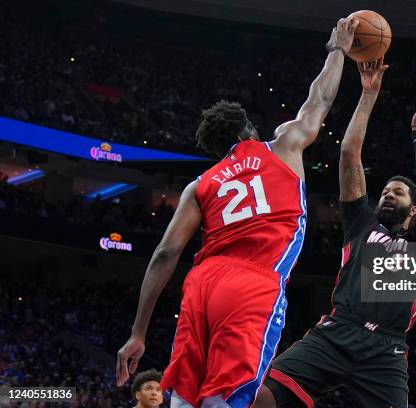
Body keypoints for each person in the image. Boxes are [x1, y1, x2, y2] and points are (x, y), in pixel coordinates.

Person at [115, 16, 359, 408]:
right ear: (248, 129)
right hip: (252, 283)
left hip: (202, 282)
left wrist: (138, 331)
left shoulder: (201, 183)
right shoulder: (283, 145)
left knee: (186, 394)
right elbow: (320, 101)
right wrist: (337, 51)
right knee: (228, 398)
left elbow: (165, 254)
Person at [253, 59, 416, 407]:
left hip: (386, 348)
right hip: (337, 331)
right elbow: (349, 154)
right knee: (262, 396)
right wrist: (368, 95)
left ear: (414, 210)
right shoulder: (362, 223)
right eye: (385, 190)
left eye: (397, 192)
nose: (388, 193)